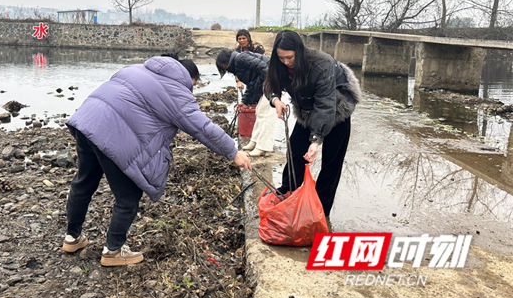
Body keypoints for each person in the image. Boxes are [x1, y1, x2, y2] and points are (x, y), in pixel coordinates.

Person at [63, 54, 252, 266]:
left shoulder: (135, 68)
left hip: (87, 120)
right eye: (194, 83)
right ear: (187, 77)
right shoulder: (176, 91)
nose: (193, 89)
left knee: (84, 181)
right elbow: (203, 128)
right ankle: (113, 251)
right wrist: (233, 152)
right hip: (112, 133)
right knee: (128, 196)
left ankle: (72, 238)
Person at [264, 30, 361, 223]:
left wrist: (316, 140)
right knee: (295, 152)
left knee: (331, 163)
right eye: (281, 57)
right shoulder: (278, 62)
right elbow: (269, 85)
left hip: (336, 109)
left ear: (299, 52)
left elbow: (325, 105)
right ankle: (287, 192)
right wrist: (276, 101)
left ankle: (319, 210)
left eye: (289, 57)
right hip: (306, 109)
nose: (285, 62)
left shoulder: (321, 64)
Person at [216, 49, 277, 157]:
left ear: (225, 62)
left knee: (267, 114)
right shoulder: (238, 66)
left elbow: (265, 69)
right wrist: (245, 102)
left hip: (275, 79)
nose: (224, 68)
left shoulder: (240, 59)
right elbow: (252, 84)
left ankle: (263, 147)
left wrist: (263, 87)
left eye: (223, 66)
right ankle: (255, 141)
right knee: (259, 111)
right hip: (268, 82)